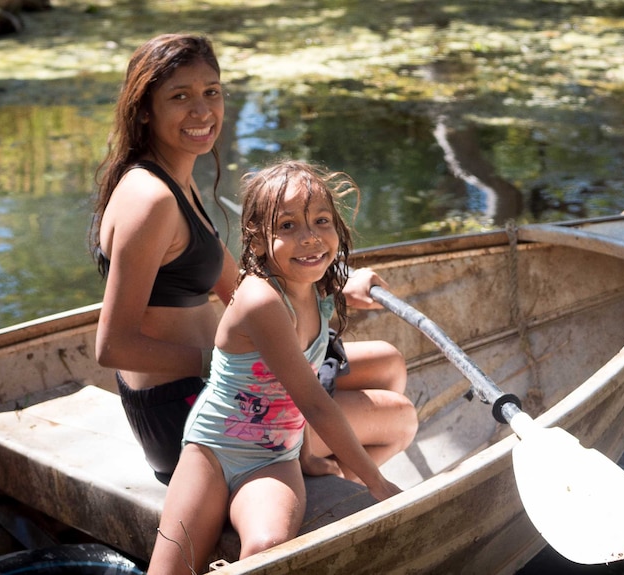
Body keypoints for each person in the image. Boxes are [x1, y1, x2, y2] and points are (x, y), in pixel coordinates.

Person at [90, 33, 417, 485]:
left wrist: (335, 284)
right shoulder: (151, 199)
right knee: (399, 417)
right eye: (180, 96)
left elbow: (239, 282)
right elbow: (112, 347)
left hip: (217, 383)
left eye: (212, 93)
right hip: (191, 413)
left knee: (388, 363)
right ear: (145, 109)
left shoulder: (172, 180)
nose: (202, 111)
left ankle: (316, 468)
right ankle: (326, 489)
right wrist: (225, 363)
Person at [149, 160, 402, 574]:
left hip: (274, 459)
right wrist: (379, 484)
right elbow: (315, 404)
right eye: (287, 226)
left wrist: (356, 277)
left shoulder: (318, 285)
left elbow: (325, 264)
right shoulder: (262, 300)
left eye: (321, 221)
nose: (309, 238)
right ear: (259, 240)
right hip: (213, 449)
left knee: (268, 546)